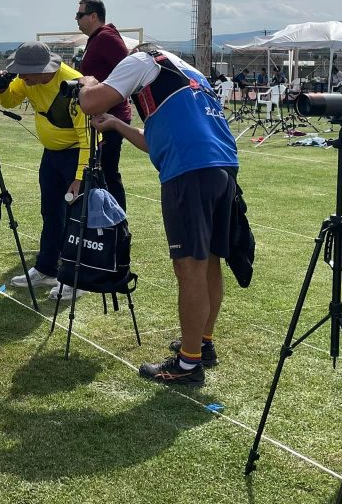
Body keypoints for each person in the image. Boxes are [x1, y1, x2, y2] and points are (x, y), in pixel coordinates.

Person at [77, 46, 239, 387]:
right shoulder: (188, 73)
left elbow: (91, 102)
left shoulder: (141, 60)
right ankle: (203, 344)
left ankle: (187, 364)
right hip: (221, 166)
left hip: (189, 171)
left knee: (189, 266)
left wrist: (87, 83)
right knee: (209, 260)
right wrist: (118, 125)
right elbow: (156, 141)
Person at [0, 42, 90, 301]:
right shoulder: (27, 79)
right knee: (50, 212)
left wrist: (80, 177)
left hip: (76, 155)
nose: (21, 77)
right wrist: (3, 88)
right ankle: (46, 268)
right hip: (51, 155)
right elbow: (11, 101)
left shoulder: (74, 84)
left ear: (43, 69)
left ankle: (76, 278)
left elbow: (88, 136)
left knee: (77, 218)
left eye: (25, 72)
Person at [75, 0, 130, 211]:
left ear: (94, 16)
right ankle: (99, 229)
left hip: (110, 117)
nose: (76, 19)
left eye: (80, 15)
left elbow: (129, 70)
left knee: (107, 174)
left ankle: (117, 229)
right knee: (99, 174)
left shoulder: (106, 38)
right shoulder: (97, 38)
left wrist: (107, 104)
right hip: (99, 115)